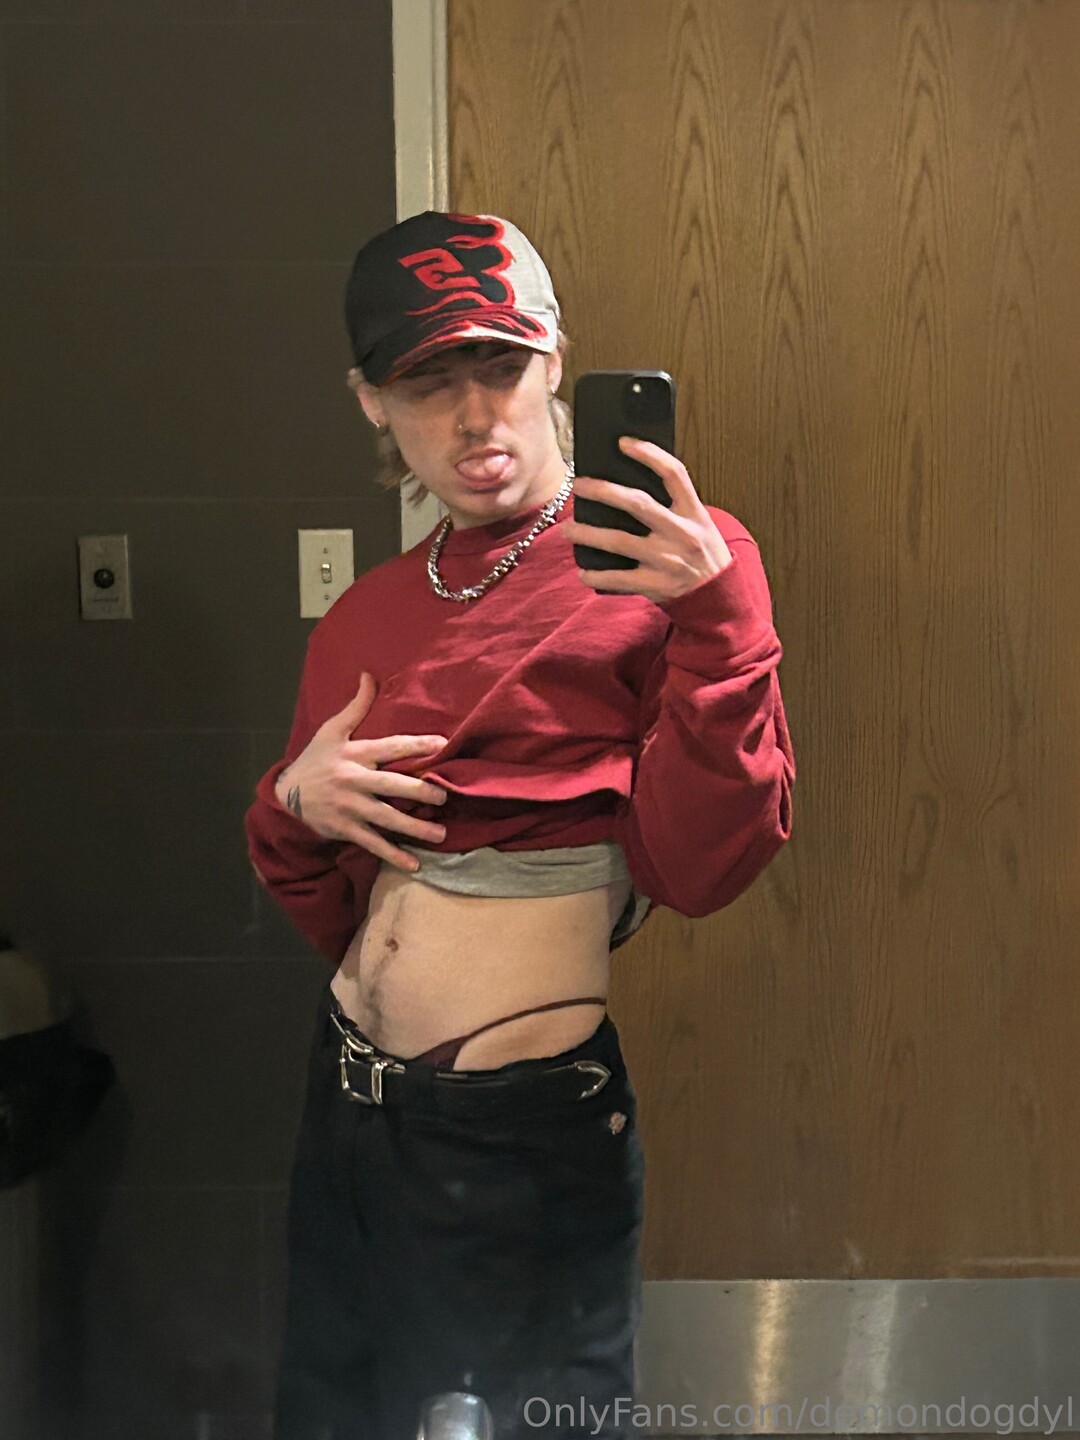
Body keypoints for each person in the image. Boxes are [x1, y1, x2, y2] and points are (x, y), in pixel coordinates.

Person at [244, 210, 795, 1440]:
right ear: (372, 404)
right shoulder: (371, 612)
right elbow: (324, 879)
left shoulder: (676, 567)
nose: (473, 416)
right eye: (426, 382)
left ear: (554, 361)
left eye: (499, 366)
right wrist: (294, 801)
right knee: (330, 1416)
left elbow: (704, 864)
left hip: (514, 1131)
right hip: (348, 1105)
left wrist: (719, 624)